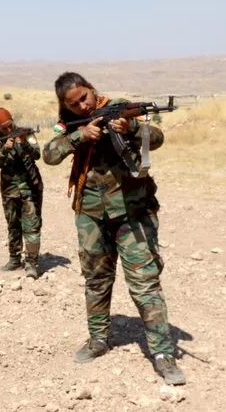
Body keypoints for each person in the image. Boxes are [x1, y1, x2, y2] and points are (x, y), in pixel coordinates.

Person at [42, 72, 185, 385]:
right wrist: (81, 136)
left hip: (132, 211)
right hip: (91, 214)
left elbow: (156, 138)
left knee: (145, 283)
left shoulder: (119, 109)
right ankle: (98, 339)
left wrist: (132, 128)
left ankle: (162, 352)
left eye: (85, 98)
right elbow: (49, 154)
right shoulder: (69, 124)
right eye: (74, 103)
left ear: (92, 90)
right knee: (96, 279)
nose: (82, 105)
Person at [0, 108, 43, 278]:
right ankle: (14, 260)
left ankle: (32, 263)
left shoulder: (26, 134)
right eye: (3, 128)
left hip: (31, 188)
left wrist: (24, 143)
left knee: (32, 226)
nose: (8, 130)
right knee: (13, 225)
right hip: (9, 190)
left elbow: (37, 154)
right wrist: (5, 149)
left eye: (9, 125)